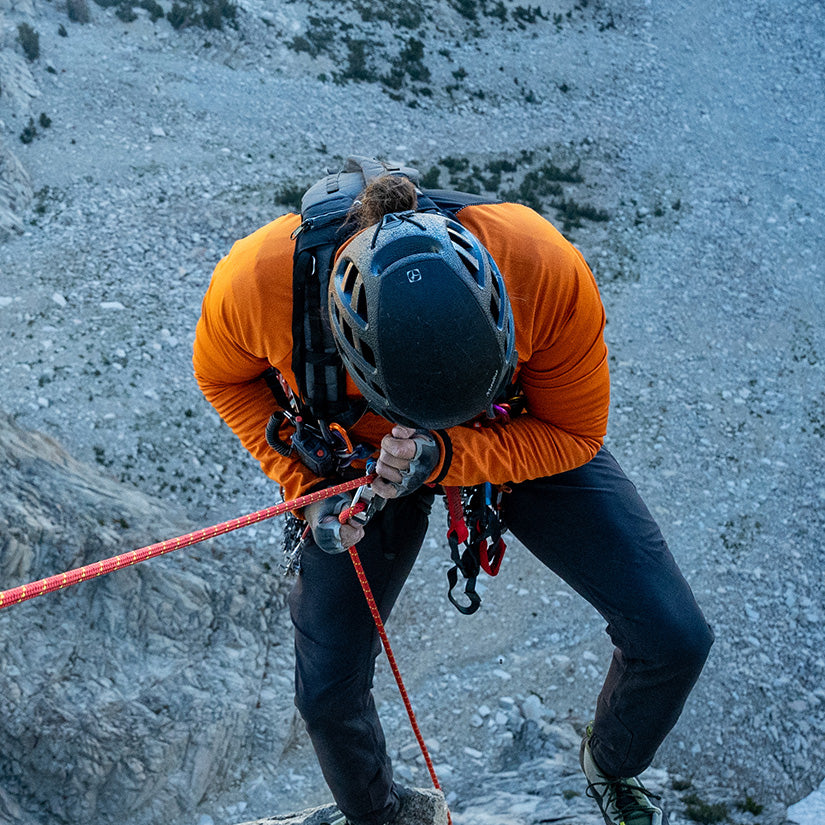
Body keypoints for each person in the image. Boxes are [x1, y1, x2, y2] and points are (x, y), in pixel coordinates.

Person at [193, 164, 713, 825]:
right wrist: (308, 490)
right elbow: (221, 376)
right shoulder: (262, 279)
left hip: (505, 429)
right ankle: (380, 816)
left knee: (674, 636)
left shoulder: (540, 266)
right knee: (326, 689)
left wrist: (444, 456)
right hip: (359, 459)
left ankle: (609, 763)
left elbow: (573, 431)